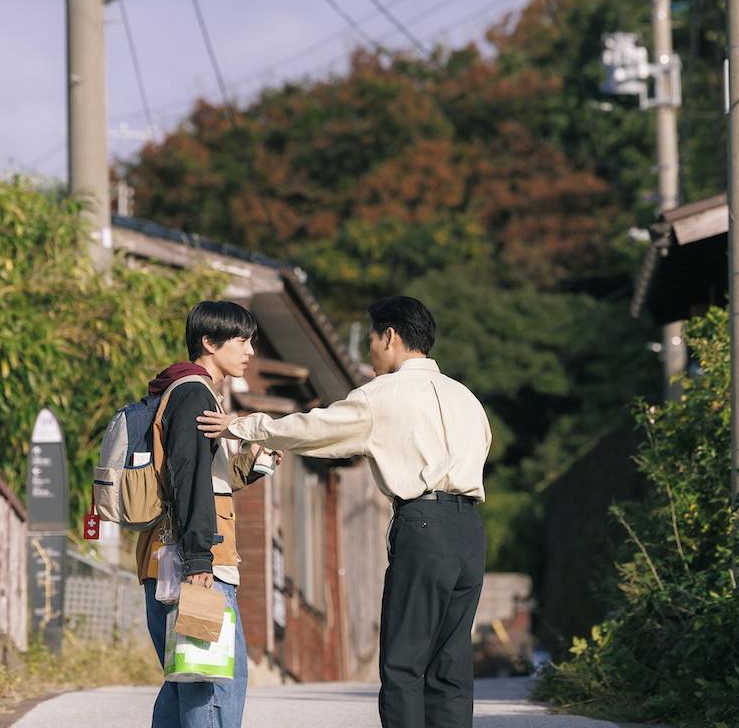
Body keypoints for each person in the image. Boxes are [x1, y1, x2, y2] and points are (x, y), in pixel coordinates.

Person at [198, 295, 492, 728]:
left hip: (424, 526)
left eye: (371, 339)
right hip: (471, 532)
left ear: (390, 337)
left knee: (404, 665)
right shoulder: (467, 398)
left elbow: (316, 429)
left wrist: (243, 425)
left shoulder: (384, 394)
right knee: (452, 664)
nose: (369, 352)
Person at [138, 300, 278, 728]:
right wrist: (200, 560)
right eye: (241, 340)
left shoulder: (177, 392)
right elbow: (191, 480)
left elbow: (200, 476)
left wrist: (252, 465)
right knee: (214, 684)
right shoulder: (194, 394)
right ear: (208, 342)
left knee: (186, 680)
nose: (250, 350)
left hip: (169, 556)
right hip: (196, 564)